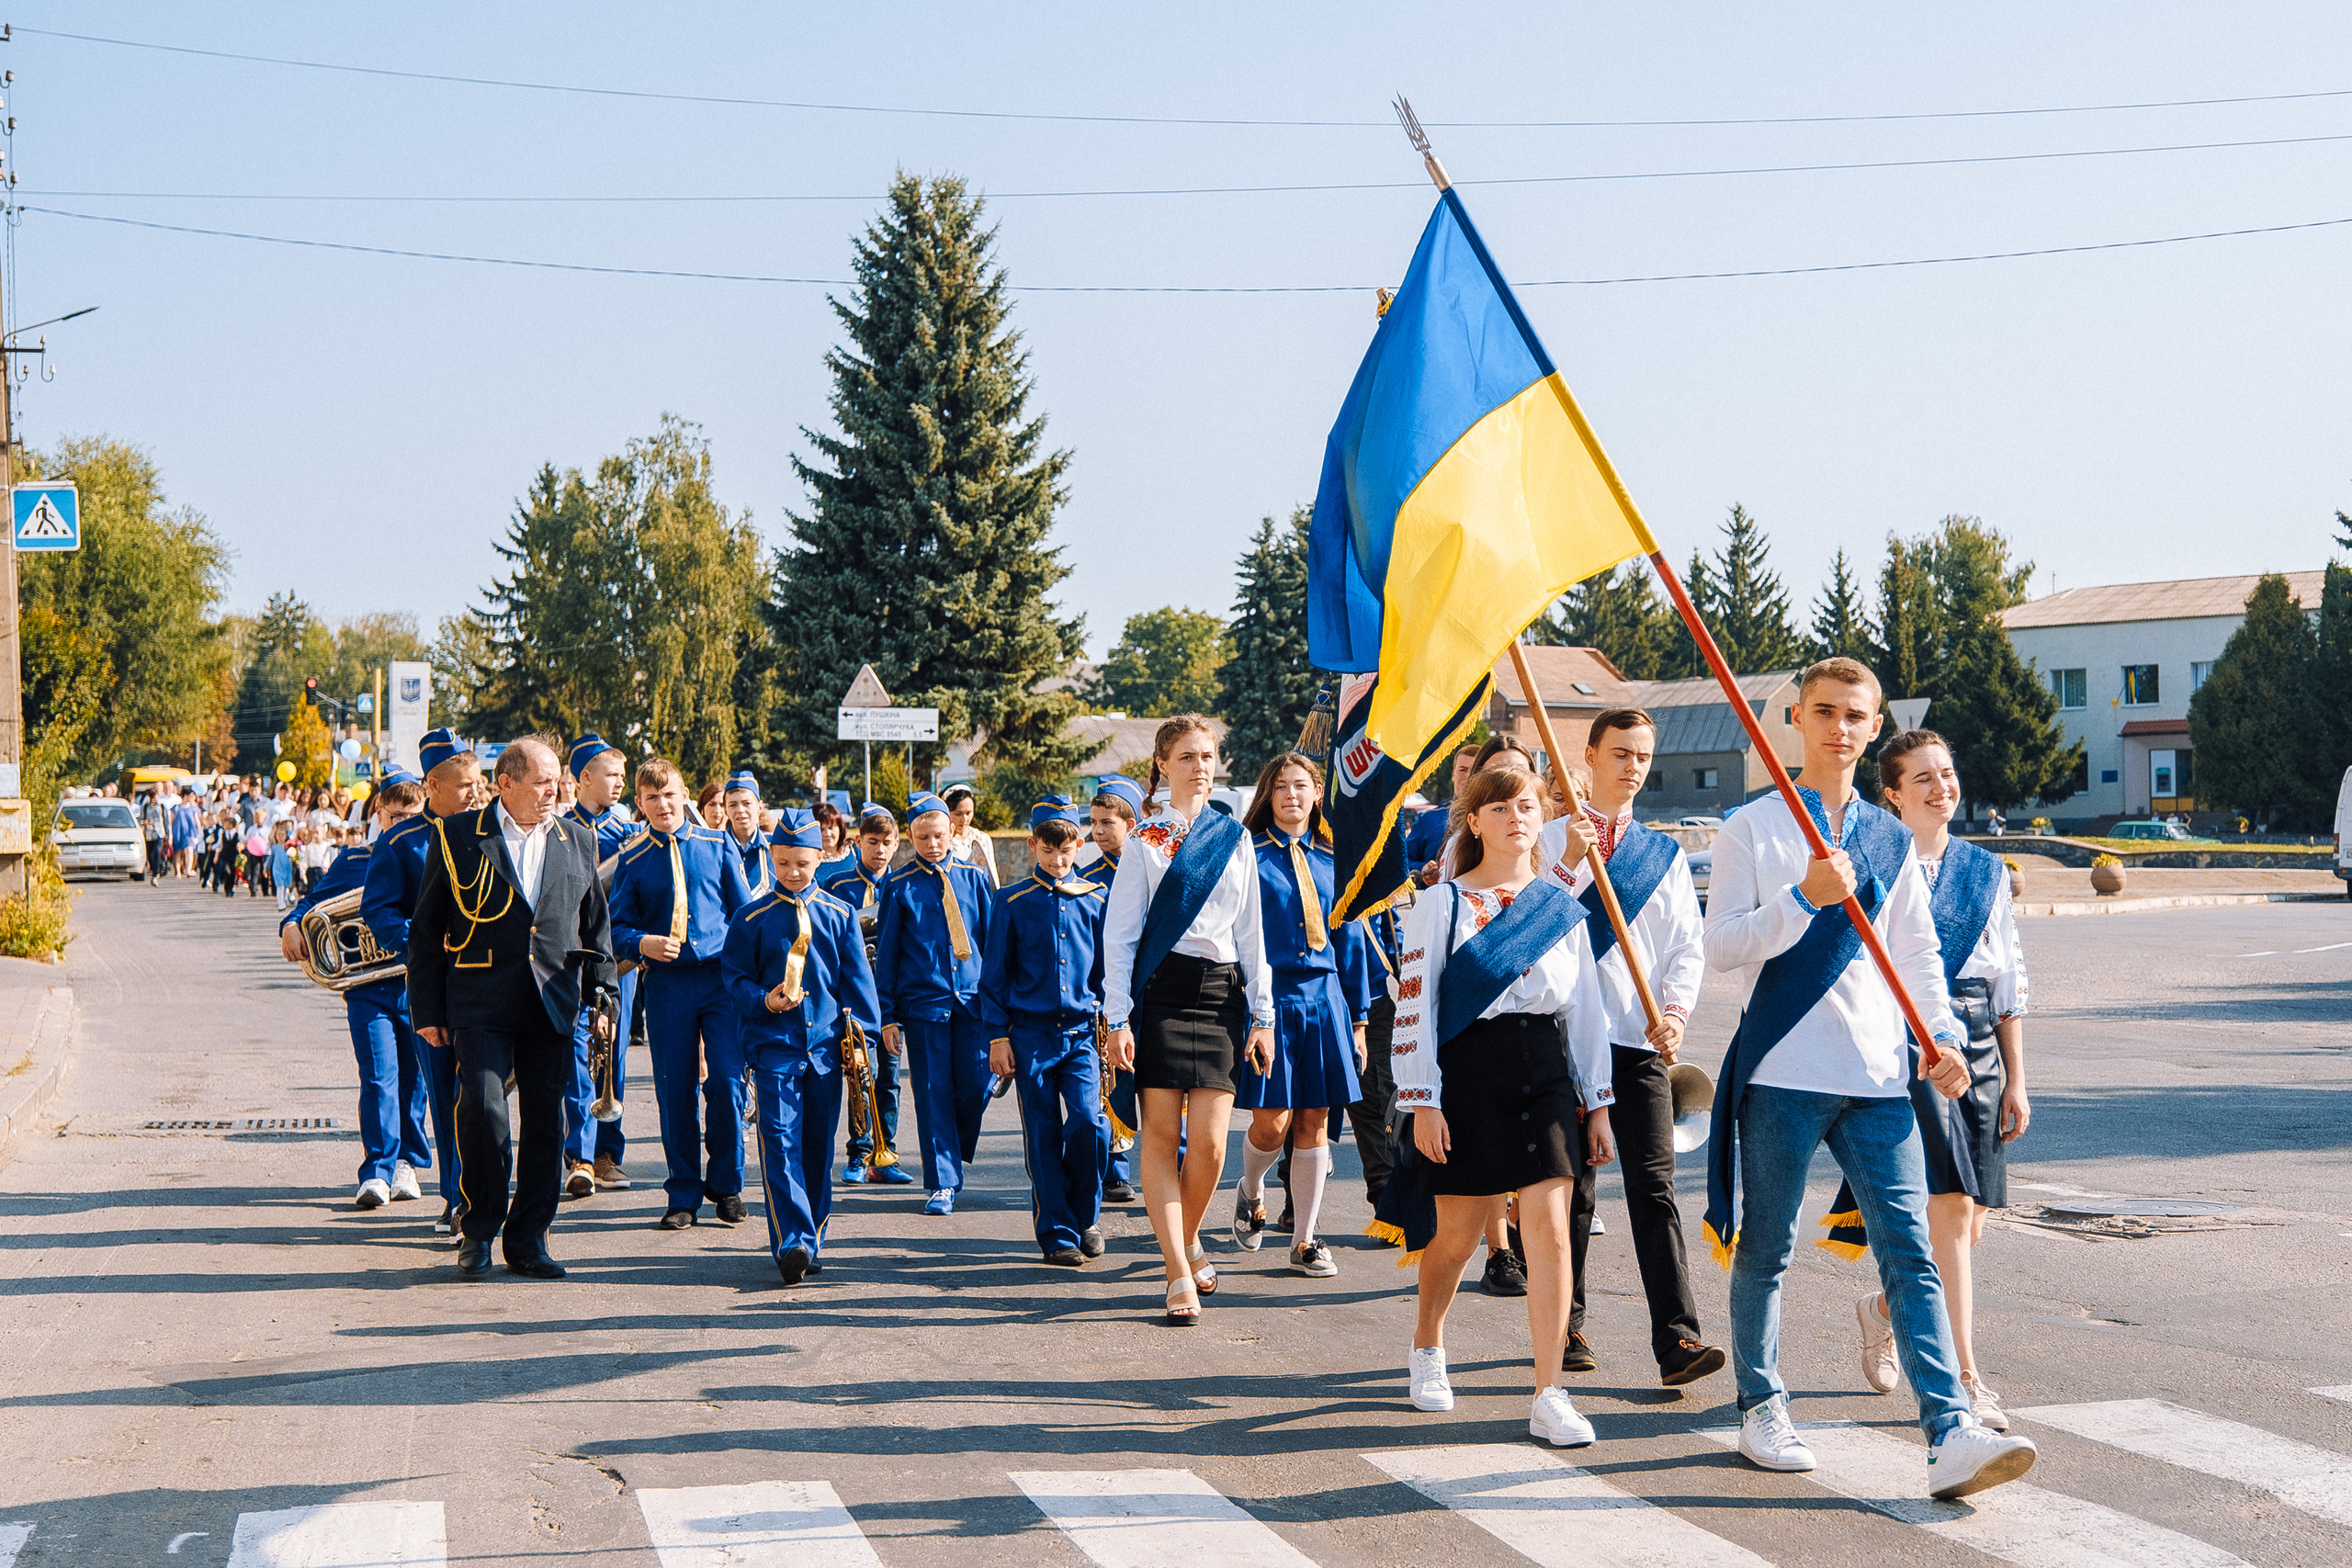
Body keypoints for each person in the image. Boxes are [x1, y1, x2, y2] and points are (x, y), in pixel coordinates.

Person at [1703, 657, 2038, 1500]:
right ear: (1798, 719)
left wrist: (1939, 1034)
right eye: (1824, 711)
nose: (1840, 727)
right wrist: (1804, 899)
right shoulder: (1751, 827)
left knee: (1911, 1252)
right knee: (1770, 1246)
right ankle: (1760, 1403)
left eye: (1856, 714)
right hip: (1783, 1068)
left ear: (1873, 723)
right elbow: (1724, 946)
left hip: (1881, 1075)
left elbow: (1917, 952)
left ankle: (1948, 1429)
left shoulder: (1887, 836)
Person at [1391, 761, 1618, 1446]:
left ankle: (1549, 1390)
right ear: (1476, 820)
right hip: (1468, 1072)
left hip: (1544, 1072)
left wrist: (1599, 1102)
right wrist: (1423, 1098)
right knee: (1456, 1239)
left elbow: (1587, 1012)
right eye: (1500, 807)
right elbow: (1416, 1008)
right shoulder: (1441, 904)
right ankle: (1428, 1340)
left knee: (1548, 1230)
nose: (1517, 816)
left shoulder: (1559, 904)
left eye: (1527, 804)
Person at [1840, 728, 2032, 1432]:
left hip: (1979, 1040)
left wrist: (2016, 1077)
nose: (1940, 787)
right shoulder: (1875, 862)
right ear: (1891, 792)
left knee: (1968, 1223)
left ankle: (1884, 1307)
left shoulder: (1986, 870)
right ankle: (1965, 1375)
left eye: (1947, 774)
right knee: (1948, 1211)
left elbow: (2009, 978)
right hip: (1912, 1043)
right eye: (1922, 778)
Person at [1535, 708, 1724, 1388]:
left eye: (1643, 754)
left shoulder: (1664, 854)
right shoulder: (1550, 838)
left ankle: (1677, 1337)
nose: (1632, 765)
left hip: (1637, 1042)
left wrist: (1674, 1012)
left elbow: (1684, 947)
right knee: (1573, 1189)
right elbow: (1524, 929)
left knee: (1655, 1188)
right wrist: (1567, 865)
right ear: (1588, 755)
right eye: (1619, 752)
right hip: (1561, 1039)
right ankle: (1566, 1324)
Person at [410, 736, 615, 1281]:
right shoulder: (456, 836)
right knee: (480, 1109)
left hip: (552, 999)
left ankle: (529, 1239)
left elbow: (594, 923)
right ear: (506, 785)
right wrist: (426, 1008)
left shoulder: (578, 837)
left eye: (558, 782)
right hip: (479, 997)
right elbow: (427, 931)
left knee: (546, 1123)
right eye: (543, 782)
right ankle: (478, 1228)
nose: (555, 792)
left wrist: (603, 990)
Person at [1102, 716, 1276, 1325]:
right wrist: (1116, 1016)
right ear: (1162, 764)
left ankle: (1190, 1235)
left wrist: (1263, 1013)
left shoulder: (1236, 837)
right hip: (1162, 993)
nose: (1200, 765)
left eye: (1206, 755)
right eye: (1186, 756)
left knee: (1206, 1141)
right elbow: (1121, 935)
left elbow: (1253, 931)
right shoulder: (1145, 839)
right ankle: (1178, 1268)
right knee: (1159, 1135)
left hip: (1220, 996)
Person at [723, 807, 882, 1285]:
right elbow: (733, 981)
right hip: (774, 1048)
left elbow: (857, 986)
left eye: (804, 864)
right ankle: (791, 1240)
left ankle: (813, 1235)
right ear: (772, 858)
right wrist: (762, 1000)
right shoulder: (750, 916)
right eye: (785, 862)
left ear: (820, 860)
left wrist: (865, 1045)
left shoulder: (839, 914)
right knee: (779, 1143)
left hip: (827, 1052)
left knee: (816, 1149)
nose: (793, 873)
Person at [1232, 752, 1371, 1279]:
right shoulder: (1249, 857)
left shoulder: (1336, 859)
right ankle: (1250, 1187)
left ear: (1317, 794)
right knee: (1272, 1124)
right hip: (1270, 1001)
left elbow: (1350, 939)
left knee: (1315, 1122)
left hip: (1326, 998)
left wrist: (1357, 1019)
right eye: (1281, 786)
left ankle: (1305, 1241)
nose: (1292, 795)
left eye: (1302, 785)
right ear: (1267, 795)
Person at [608, 757, 758, 1231]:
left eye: (670, 794)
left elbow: (746, 916)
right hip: (668, 985)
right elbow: (615, 929)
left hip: (720, 982)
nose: (663, 804)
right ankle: (682, 1194)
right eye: (651, 798)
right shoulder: (632, 859)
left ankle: (728, 1184)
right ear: (640, 805)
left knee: (728, 1084)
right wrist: (641, 943)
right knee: (675, 1091)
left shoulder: (718, 846)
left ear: (686, 795)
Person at [279, 772, 437, 1210]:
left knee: (415, 1079)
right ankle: (376, 1170)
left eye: (412, 815)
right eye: (394, 815)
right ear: (378, 814)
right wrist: (291, 924)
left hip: (416, 985)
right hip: (368, 990)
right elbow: (310, 904)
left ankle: (408, 1161)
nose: (402, 822)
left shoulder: (430, 855)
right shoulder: (353, 860)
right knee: (378, 1076)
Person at [978, 796, 1113, 1265]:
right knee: (1041, 1133)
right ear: (1033, 845)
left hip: (1080, 1035)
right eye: (1047, 850)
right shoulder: (1012, 901)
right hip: (1030, 1037)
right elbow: (993, 977)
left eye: (1066, 850)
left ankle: (1086, 1218)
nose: (1057, 861)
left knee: (1089, 1126)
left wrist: (1115, 1024)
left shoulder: (1097, 898)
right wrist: (998, 1037)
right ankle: (1056, 1232)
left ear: (1079, 844)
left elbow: (1110, 972)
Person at [363, 728, 481, 1236]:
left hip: (489, 987)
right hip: (434, 988)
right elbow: (378, 910)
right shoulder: (401, 841)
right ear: (432, 785)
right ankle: (456, 1200)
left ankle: (482, 1197)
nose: (475, 794)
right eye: (464, 786)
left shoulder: (492, 831)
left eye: (479, 783)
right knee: (447, 1098)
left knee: (485, 1100)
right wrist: (423, 937)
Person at [874, 792, 998, 1214]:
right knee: (932, 1093)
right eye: (923, 837)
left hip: (974, 1003)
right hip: (924, 1005)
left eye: (939, 835)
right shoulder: (898, 886)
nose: (933, 845)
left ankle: (952, 1151)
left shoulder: (976, 879)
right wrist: (887, 1016)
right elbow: (888, 954)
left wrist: (1002, 1010)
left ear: (952, 832)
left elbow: (994, 949)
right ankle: (942, 1180)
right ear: (910, 837)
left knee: (976, 1086)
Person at [562, 734, 643, 1196]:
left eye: (622, 776)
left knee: (612, 1054)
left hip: (618, 961)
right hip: (573, 957)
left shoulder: (628, 834)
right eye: (611, 776)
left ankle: (610, 1152)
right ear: (584, 778)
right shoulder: (559, 829)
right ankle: (581, 1156)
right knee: (577, 1056)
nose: (619, 785)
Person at [818, 803, 912, 1184]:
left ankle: (884, 1155)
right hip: (852, 998)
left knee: (889, 1077)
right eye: (872, 842)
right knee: (860, 1074)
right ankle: (858, 1153)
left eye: (887, 843)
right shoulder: (838, 884)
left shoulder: (901, 883)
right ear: (857, 843)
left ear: (896, 845)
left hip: (889, 998)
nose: (879, 850)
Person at [1081, 777, 1146, 1203]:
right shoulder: (1088, 879)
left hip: (1152, 990)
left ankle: (1176, 1164)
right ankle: (1115, 1168)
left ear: (1131, 822)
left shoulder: (1153, 867)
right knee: (1112, 1083)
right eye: (1093, 823)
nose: (1098, 832)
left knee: (1162, 1085)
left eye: (1107, 822)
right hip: (1109, 994)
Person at [1405, 741, 1480, 886]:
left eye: (1476, 770)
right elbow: (1402, 862)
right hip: (1438, 903)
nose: (1469, 776)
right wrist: (1422, 870)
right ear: (1453, 775)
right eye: (1463, 770)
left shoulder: (1496, 819)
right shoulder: (1428, 819)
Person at [720, 770, 774, 898]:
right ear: (725, 810)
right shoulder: (717, 847)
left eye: (747, 803)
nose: (740, 810)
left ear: (759, 807)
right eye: (733, 805)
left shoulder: (775, 845)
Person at [940, 783, 1001, 887]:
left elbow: (992, 875)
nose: (964, 819)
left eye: (968, 813)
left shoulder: (982, 838)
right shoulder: (941, 840)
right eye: (958, 814)